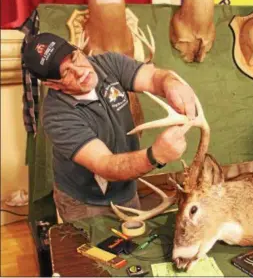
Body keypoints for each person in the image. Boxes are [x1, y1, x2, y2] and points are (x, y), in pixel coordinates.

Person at [22, 33, 197, 222]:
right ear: (51, 84)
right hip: (86, 203)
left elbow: (153, 76)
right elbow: (105, 165)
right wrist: (156, 155)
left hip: (126, 190)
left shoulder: (107, 63)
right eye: (65, 73)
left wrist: (169, 83)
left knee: (132, 244)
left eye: (74, 57)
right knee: (94, 250)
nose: (80, 71)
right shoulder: (57, 116)